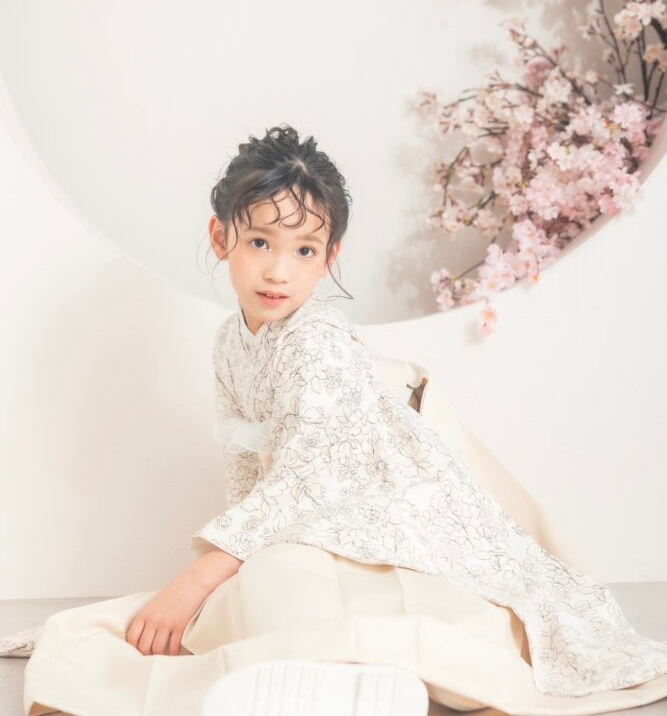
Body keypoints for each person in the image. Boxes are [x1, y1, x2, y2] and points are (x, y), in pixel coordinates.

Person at [12, 123, 667, 716]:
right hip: (308, 513)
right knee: (260, 583)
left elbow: (308, 478)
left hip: (385, 509)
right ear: (220, 238)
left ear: (329, 256)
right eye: (259, 242)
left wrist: (200, 576)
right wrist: (227, 563)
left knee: (302, 584)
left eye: (304, 251)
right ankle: (313, 675)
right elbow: (246, 466)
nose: (278, 270)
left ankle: (367, 678)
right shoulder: (231, 341)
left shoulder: (317, 340)